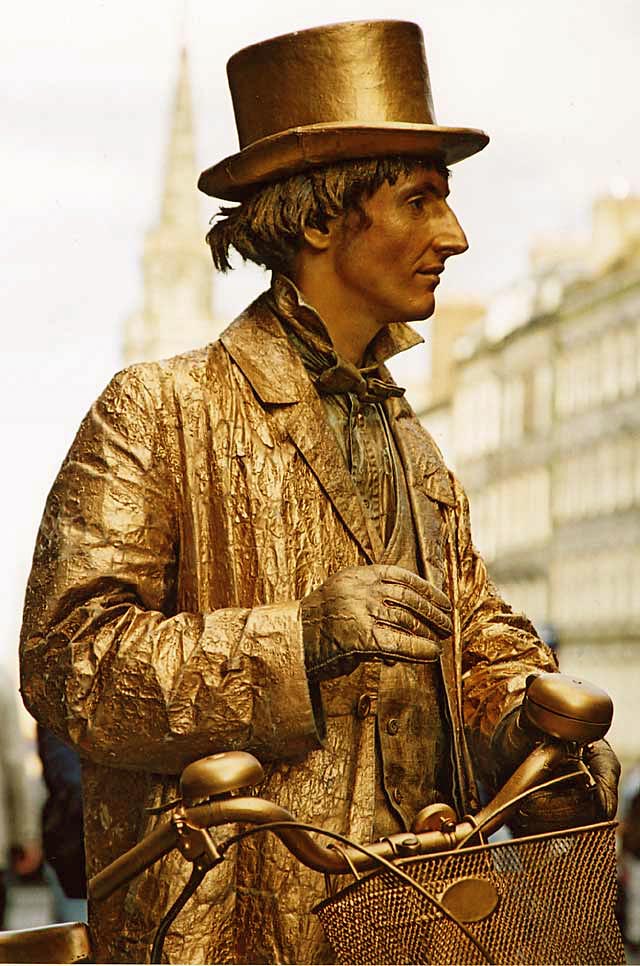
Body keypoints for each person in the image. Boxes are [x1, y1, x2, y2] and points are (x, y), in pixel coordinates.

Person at [19, 20, 619, 964]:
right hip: (232, 935)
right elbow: (70, 667)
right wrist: (298, 641)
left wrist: (527, 714)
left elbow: (476, 634)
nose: (453, 237)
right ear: (318, 220)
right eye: (420, 202)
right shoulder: (159, 408)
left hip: (415, 928)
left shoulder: (412, 442)